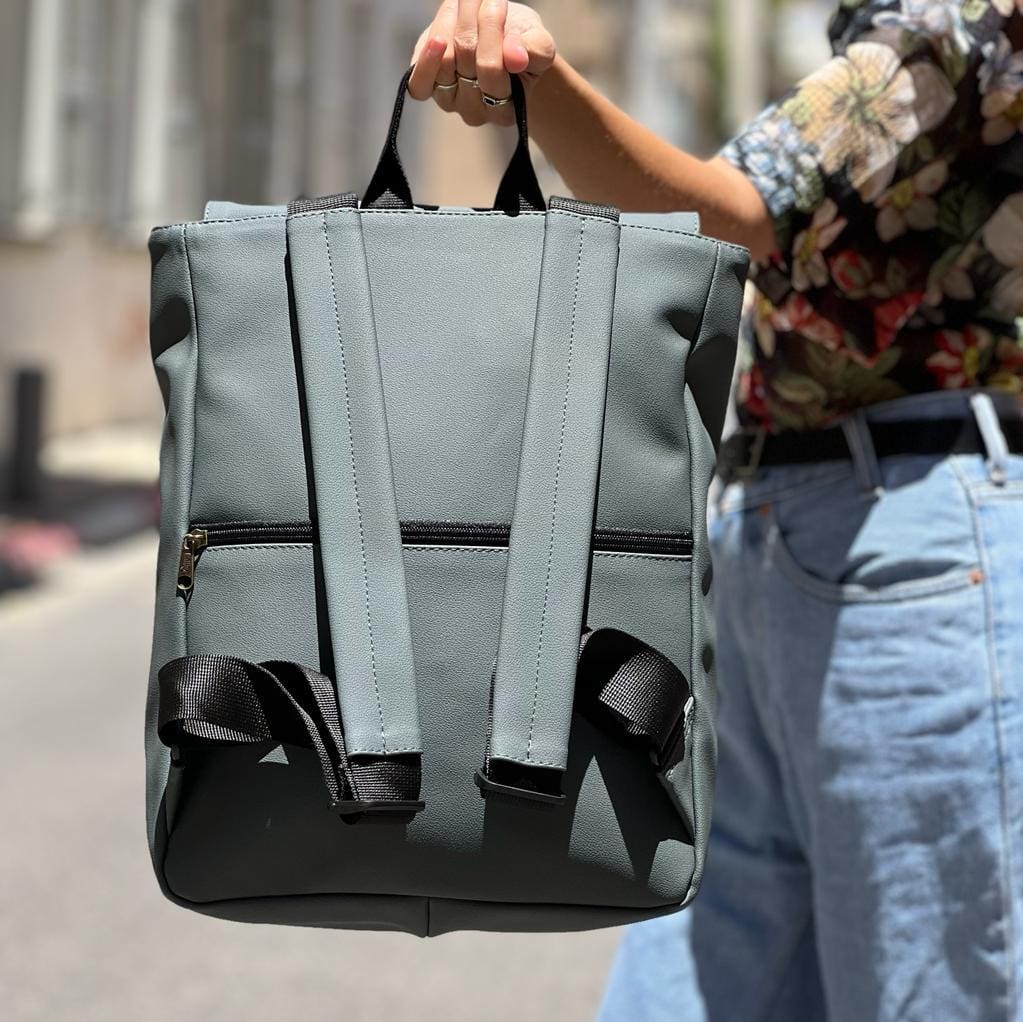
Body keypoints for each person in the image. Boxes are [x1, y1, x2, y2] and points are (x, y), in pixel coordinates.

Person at [410, 2, 1023, 1019]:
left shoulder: (954, 27)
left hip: (904, 547)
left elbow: (728, 208)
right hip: (808, 533)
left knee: (915, 989)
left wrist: (540, 86)